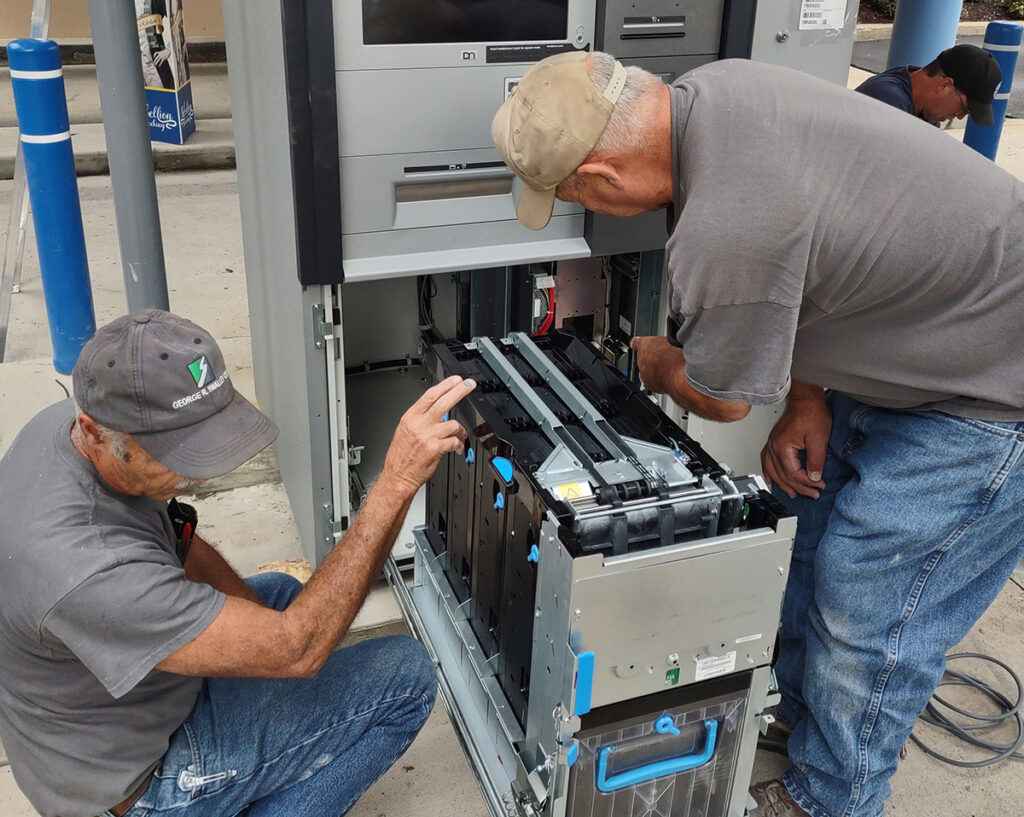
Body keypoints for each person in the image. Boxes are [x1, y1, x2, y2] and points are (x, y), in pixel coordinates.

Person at [491, 51, 1024, 817]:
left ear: (604, 177)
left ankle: (831, 794)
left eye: (570, 192)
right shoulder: (717, 91)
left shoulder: (725, 225)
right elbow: (818, 256)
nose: (580, 205)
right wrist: (806, 397)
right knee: (808, 540)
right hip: (926, 333)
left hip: (993, 390)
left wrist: (656, 362)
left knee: (871, 609)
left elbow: (724, 400)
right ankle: (812, 716)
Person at [0, 310, 475, 817]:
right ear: (95, 433)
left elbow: (177, 536)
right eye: (178, 452)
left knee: (279, 595)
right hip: (140, 782)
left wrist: (274, 642)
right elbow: (299, 649)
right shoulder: (88, 567)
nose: (200, 475)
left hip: (110, 711)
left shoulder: (76, 426)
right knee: (406, 677)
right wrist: (396, 481)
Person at [855, 42, 1001, 125]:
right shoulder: (886, 101)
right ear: (944, 85)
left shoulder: (926, 111)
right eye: (963, 108)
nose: (959, 116)